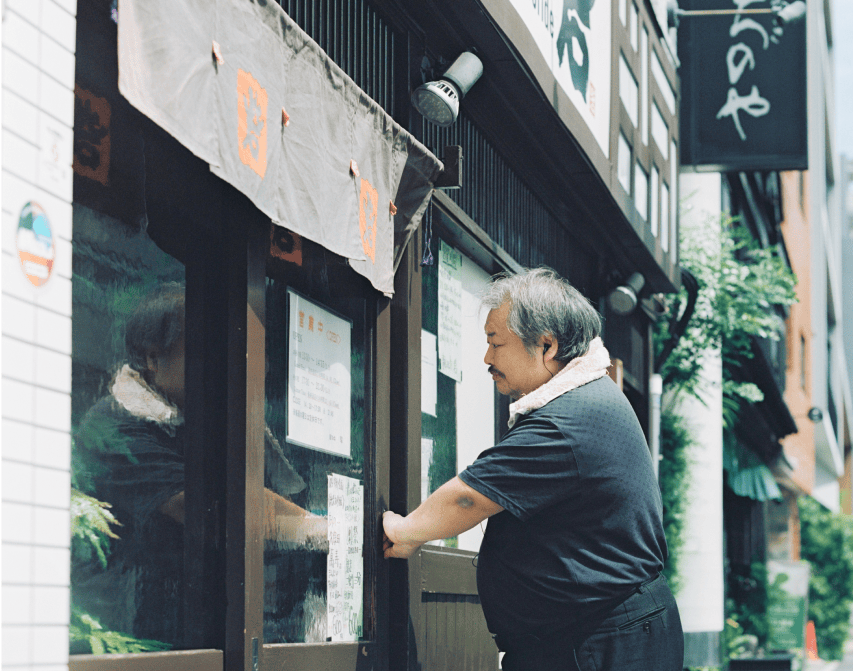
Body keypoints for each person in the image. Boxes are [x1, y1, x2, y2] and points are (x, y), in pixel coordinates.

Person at [382, 268, 683, 671]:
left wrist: (404, 532)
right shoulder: (589, 400)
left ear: (546, 345)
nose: (487, 358)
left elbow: (470, 496)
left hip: (603, 637)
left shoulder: (569, 421)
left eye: (495, 343)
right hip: (602, 631)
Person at [73, 284, 325, 648]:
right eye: (200, 349)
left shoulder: (190, 415)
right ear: (153, 358)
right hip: (125, 632)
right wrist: (322, 531)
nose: (218, 361)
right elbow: (214, 508)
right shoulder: (115, 424)